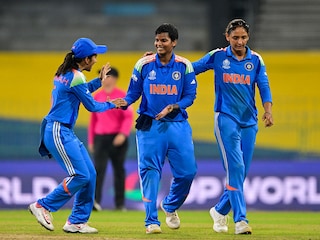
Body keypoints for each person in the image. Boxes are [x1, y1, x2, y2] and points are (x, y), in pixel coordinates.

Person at [28, 38, 125, 234]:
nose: (97, 60)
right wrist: (113, 104)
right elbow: (91, 105)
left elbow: (81, 91)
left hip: (62, 130)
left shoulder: (67, 73)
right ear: (86, 59)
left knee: (90, 174)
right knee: (80, 175)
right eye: (94, 56)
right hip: (58, 129)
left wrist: (99, 81)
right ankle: (42, 205)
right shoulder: (76, 76)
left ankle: (76, 221)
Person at [192, 19, 273, 235]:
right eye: (235, 37)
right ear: (227, 37)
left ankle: (220, 210)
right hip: (226, 118)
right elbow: (190, 68)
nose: (239, 41)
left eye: (243, 37)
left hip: (250, 121)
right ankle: (241, 220)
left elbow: (263, 85)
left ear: (248, 38)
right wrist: (159, 62)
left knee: (241, 172)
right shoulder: (217, 56)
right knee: (236, 169)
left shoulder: (255, 59)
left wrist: (268, 110)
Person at [121, 23, 198, 234]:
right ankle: (151, 221)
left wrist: (174, 106)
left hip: (177, 125)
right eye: (157, 40)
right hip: (150, 126)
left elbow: (190, 96)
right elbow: (133, 93)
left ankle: (170, 205)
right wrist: (124, 102)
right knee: (150, 173)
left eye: (164, 40)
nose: (159, 44)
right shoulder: (144, 64)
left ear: (174, 42)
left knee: (188, 173)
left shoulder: (184, 66)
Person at [88, 67, 134, 211]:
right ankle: (95, 201)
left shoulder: (121, 96)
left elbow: (128, 117)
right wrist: (91, 140)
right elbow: (93, 120)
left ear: (114, 78)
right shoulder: (97, 96)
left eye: (107, 76)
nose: (105, 80)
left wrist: (123, 133)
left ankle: (120, 204)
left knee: (119, 170)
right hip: (100, 137)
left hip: (117, 137)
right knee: (98, 170)